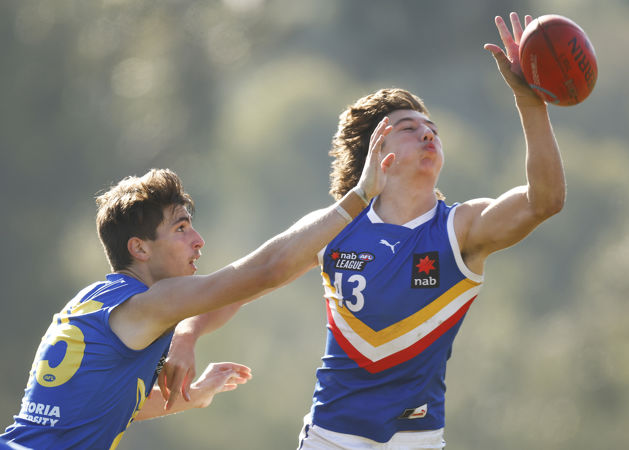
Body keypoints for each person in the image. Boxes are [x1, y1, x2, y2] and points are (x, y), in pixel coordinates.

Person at [163, 11, 566, 449]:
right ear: (376, 150)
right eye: (409, 129)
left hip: (418, 440)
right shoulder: (336, 227)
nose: (427, 135)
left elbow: (544, 201)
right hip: (330, 439)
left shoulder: (461, 228)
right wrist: (186, 333)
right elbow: (250, 279)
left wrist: (530, 104)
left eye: (432, 130)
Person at [1, 124, 395, 449]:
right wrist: (360, 196)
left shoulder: (94, 300)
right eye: (181, 228)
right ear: (139, 248)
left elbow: (110, 404)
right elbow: (264, 271)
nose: (198, 240)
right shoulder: (150, 303)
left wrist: (198, 393)